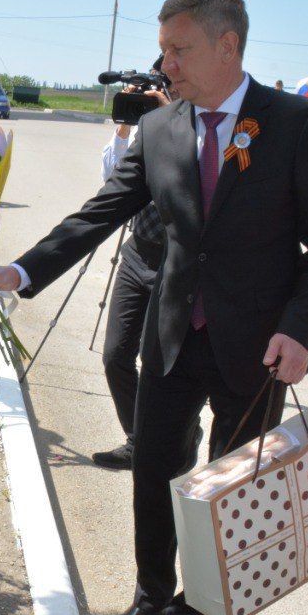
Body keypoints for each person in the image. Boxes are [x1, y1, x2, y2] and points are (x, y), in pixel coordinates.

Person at [0, 0, 308, 615]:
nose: (166, 63)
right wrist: (22, 272)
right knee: (153, 469)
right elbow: (100, 213)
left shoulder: (296, 124)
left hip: (257, 348)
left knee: (223, 487)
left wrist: (301, 331)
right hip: (175, 332)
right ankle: (151, 594)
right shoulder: (159, 129)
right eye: (164, 48)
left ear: (227, 45)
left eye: (179, 49)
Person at [90, 62, 203, 472]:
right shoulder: (145, 123)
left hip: (177, 262)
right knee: (115, 355)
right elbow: (112, 179)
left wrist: (174, 113)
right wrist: (125, 125)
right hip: (138, 253)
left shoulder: (197, 120)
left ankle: (172, 438)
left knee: (161, 363)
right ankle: (139, 439)